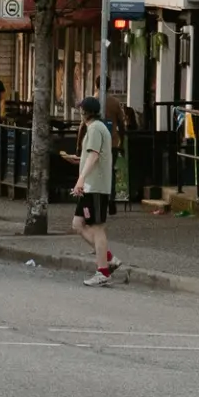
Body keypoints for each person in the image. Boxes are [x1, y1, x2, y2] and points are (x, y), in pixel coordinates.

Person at [73, 96, 119, 284]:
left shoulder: (95, 129)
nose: (79, 113)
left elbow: (94, 155)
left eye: (81, 110)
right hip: (91, 185)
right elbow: (91, 156)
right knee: (78, 224)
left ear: (85, 112)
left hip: (95, 186)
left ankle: (103, 272)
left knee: (97, 227)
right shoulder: (96, 128)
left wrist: (81, 179)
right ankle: (108, 258)